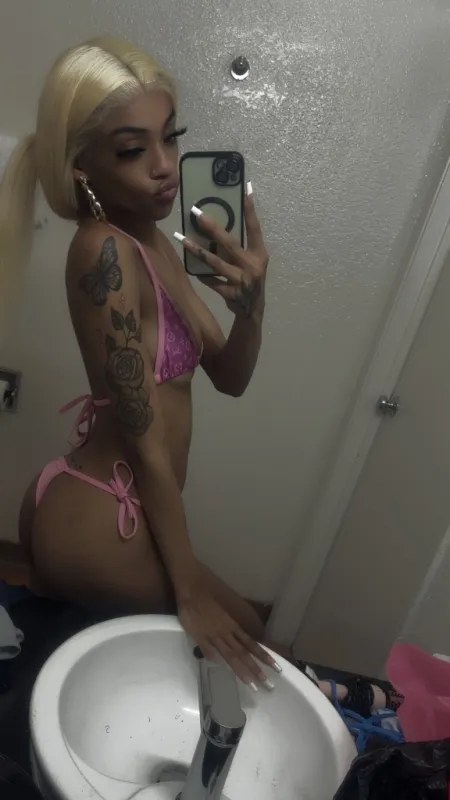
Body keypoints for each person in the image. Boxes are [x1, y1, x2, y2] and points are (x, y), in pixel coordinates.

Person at [0, 36, 281, 691]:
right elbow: (145, 440)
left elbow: (231, 378)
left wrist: (252, 307)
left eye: (170, 138)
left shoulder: (152, 243)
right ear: (82, 167)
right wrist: (189, 593)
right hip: (102, 514)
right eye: (133, 150)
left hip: (106, 502)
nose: (164, 167)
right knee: (246, 644)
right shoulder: (102, 250)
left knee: (237, 642)